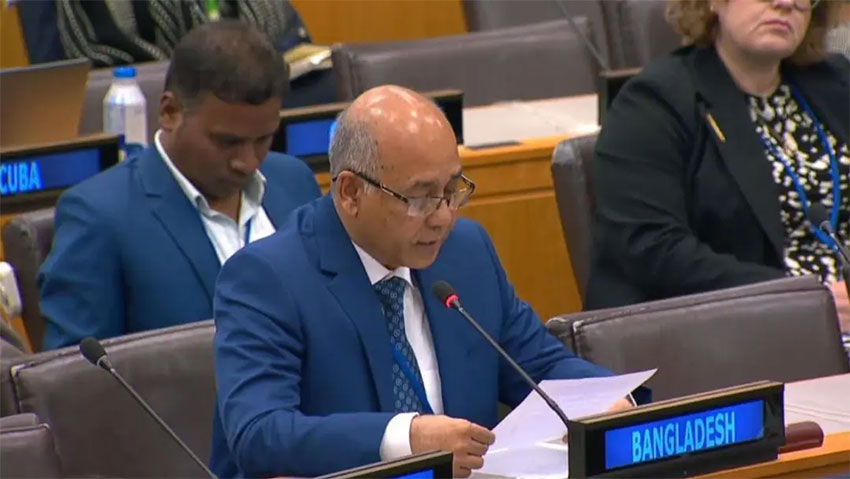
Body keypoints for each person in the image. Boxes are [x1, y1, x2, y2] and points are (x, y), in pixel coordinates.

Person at [210, 85, 636, 478]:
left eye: (452, 189)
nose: (443, 216)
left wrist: (607, 404)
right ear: (351, 193)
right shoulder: (268, 278)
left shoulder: (465, 252)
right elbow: (259, 432)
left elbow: (539, 365)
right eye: (419, 197)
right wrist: (408, 439)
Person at [38, 20, 320, 350]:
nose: (248, 162)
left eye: (263, 139)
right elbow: (75, 372)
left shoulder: (295, 182)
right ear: (170, 112)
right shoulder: (99, 216)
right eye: (227, 142)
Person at [586, 0, 849, 330]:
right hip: (737, 328)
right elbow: (652, 247)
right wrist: (806, 300)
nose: (786, 3)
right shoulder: (654, 102)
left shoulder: (836, 81)